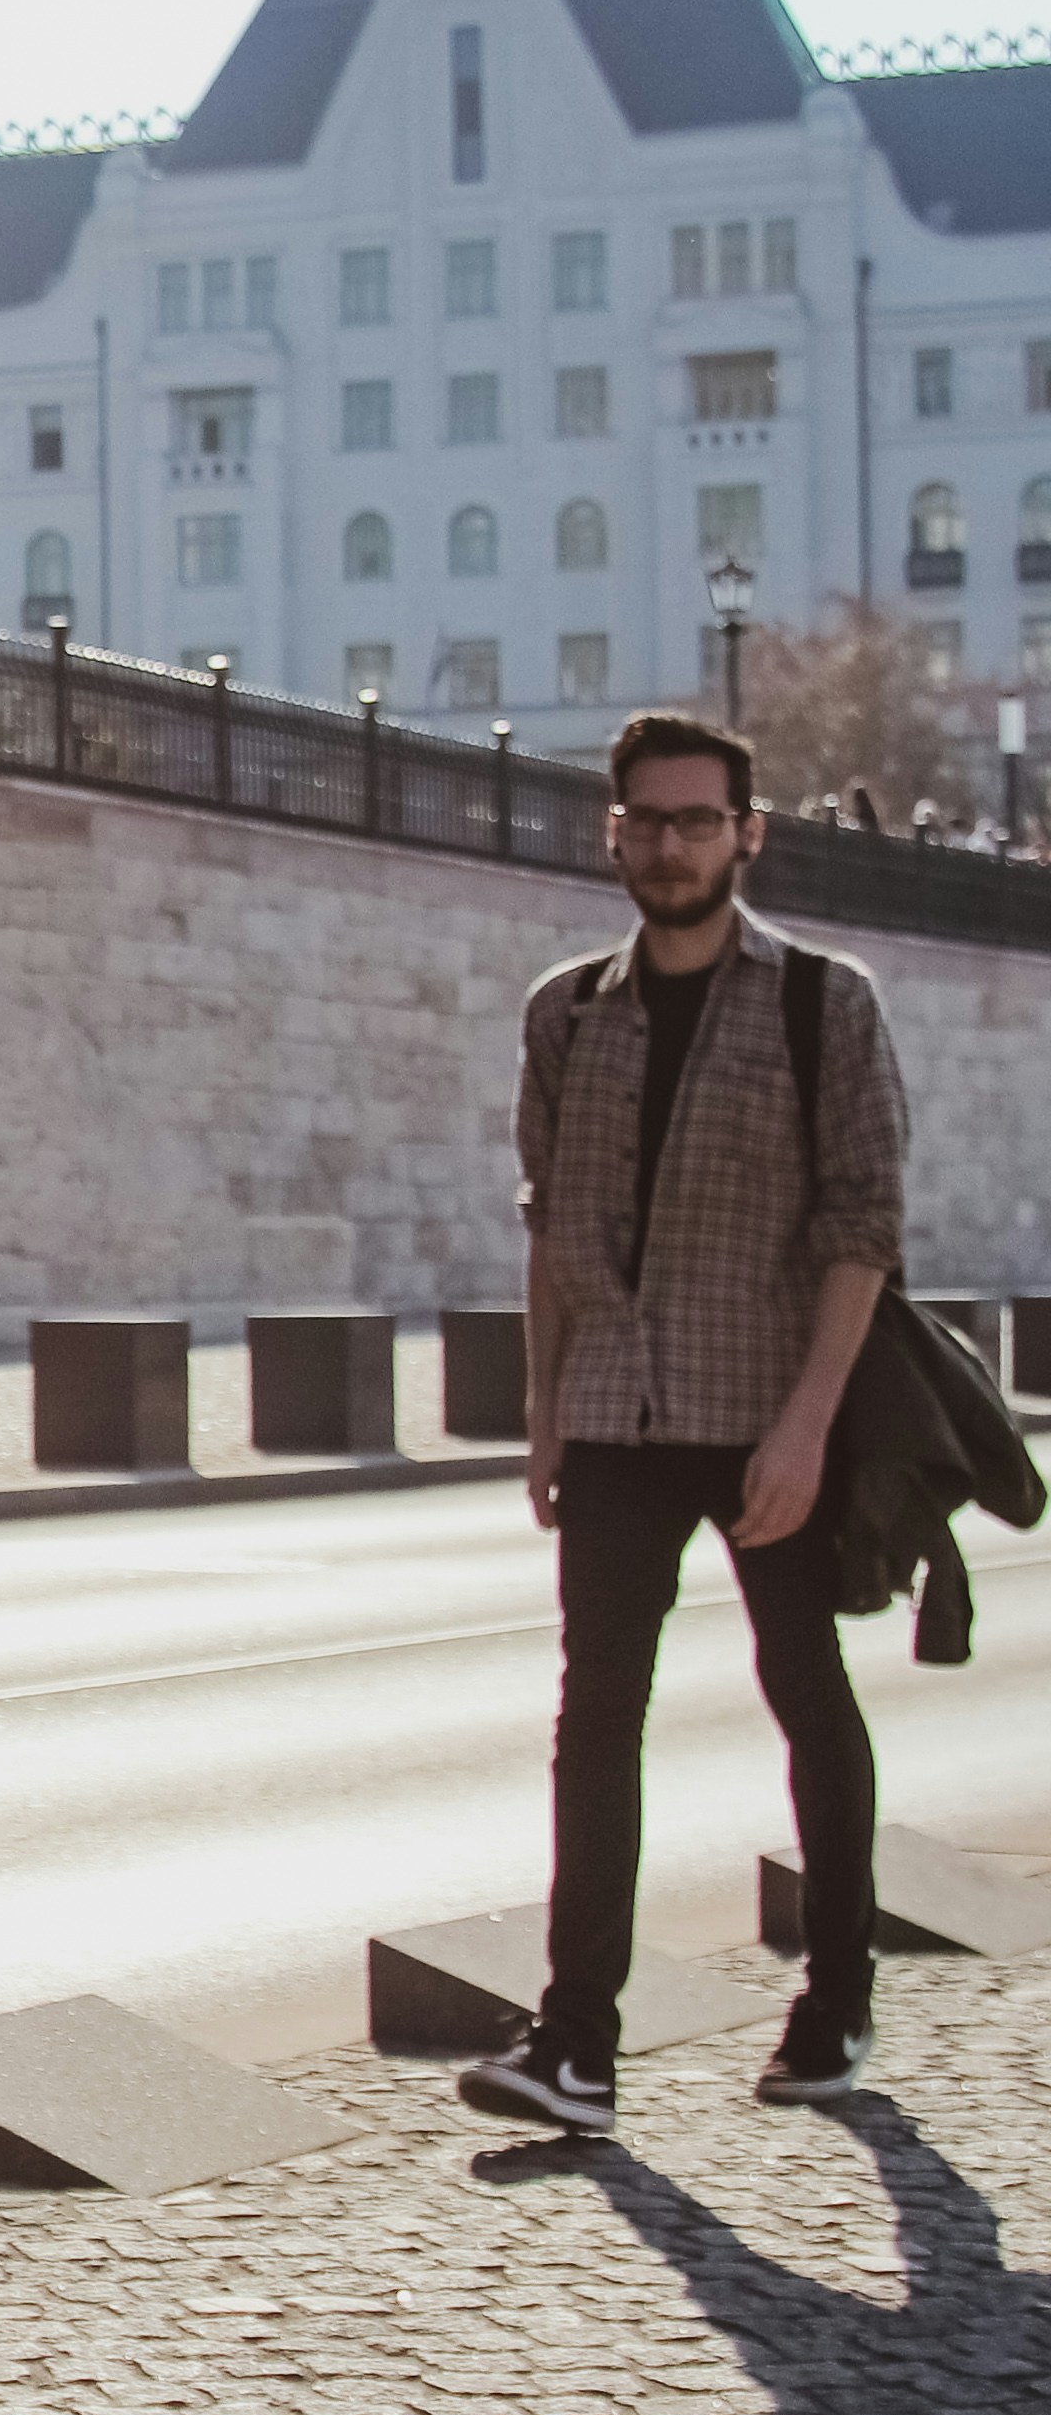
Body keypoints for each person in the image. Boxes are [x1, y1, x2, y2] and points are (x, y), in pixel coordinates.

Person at [461, 710, 908, 2138]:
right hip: (613, 1413)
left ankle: (835, 1996)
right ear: (612, 835)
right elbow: (548, 1228)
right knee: (595, 1719)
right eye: (647, 821)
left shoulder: (822, 1002)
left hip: (768, 1408)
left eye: (698, 821)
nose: (671, 845)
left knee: (806, 1691)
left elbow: (862, 1227)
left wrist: (806, 1426)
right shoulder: (564, 1012)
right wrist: (542, 1415)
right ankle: (577, 2041)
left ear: (748, 833)